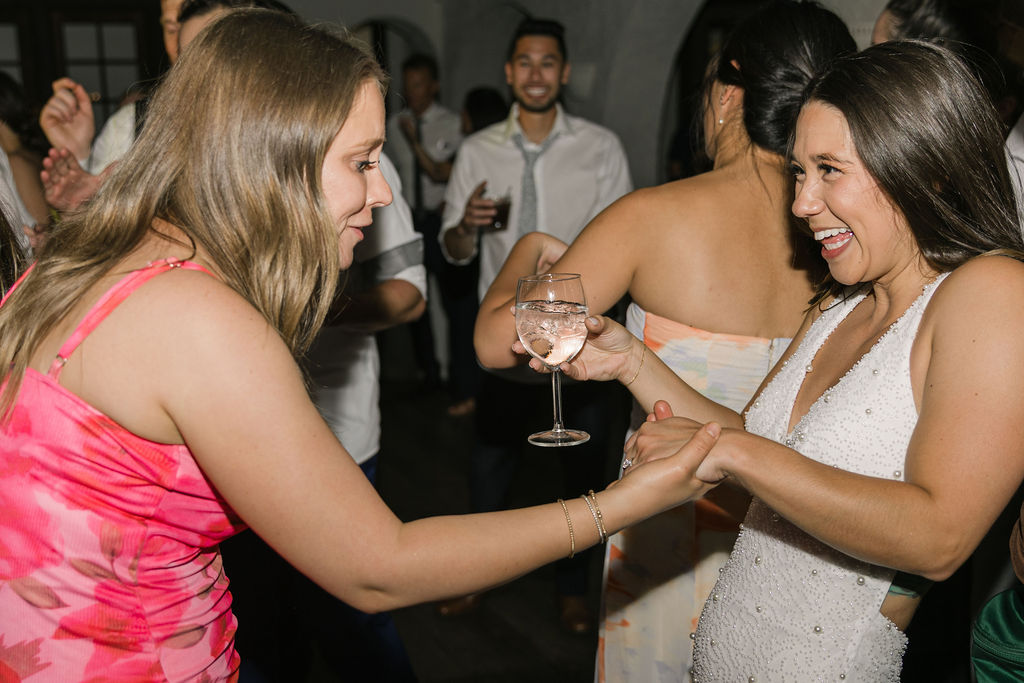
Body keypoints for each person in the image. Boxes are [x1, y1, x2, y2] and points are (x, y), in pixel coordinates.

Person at [0, 10, 719, 680]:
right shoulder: (197, 318)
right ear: (274, 159)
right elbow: (379, 567)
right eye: (362, 161)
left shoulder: (121, 255)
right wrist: (622, 502)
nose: (381, 194)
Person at [528, 39, 1024, 679]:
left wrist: (735, 455)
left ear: (921, 164)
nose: (801, 203)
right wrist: (630, 361)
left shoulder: (991, 291)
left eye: (830, 169)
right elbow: (758, 462)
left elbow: (939, 538)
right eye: (798, 170)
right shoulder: (840, 305)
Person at [475, 2, 853, 678]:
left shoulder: (652, 218)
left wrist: (527, 249)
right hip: (799, 542)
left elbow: (497, 343)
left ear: (729, 96)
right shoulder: (841, 240)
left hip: (670, 528)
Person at [438, 16, 633, 632]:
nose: (536, 74)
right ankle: (475, 578)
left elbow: (624, 245)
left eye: (548, 62)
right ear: (508, 71)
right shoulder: (476, 150)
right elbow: (453, 251)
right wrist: (466, 227)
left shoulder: (600, 147)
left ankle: (573, 591)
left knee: (581, 477)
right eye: (524, 62)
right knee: (488, 471)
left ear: (564, 72)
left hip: (575, 340)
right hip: (505, 344)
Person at [385, 53, 464, 402]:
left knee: (447, 301)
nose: (411, 92)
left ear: (433, 85)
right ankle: (427, 373)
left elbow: (448, 173)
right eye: (407, 84)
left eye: (418, 85)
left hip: (439, 219)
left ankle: (451, 374)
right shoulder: (392, 124)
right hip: (409, 219)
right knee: (415, 298)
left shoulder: (451, 124)